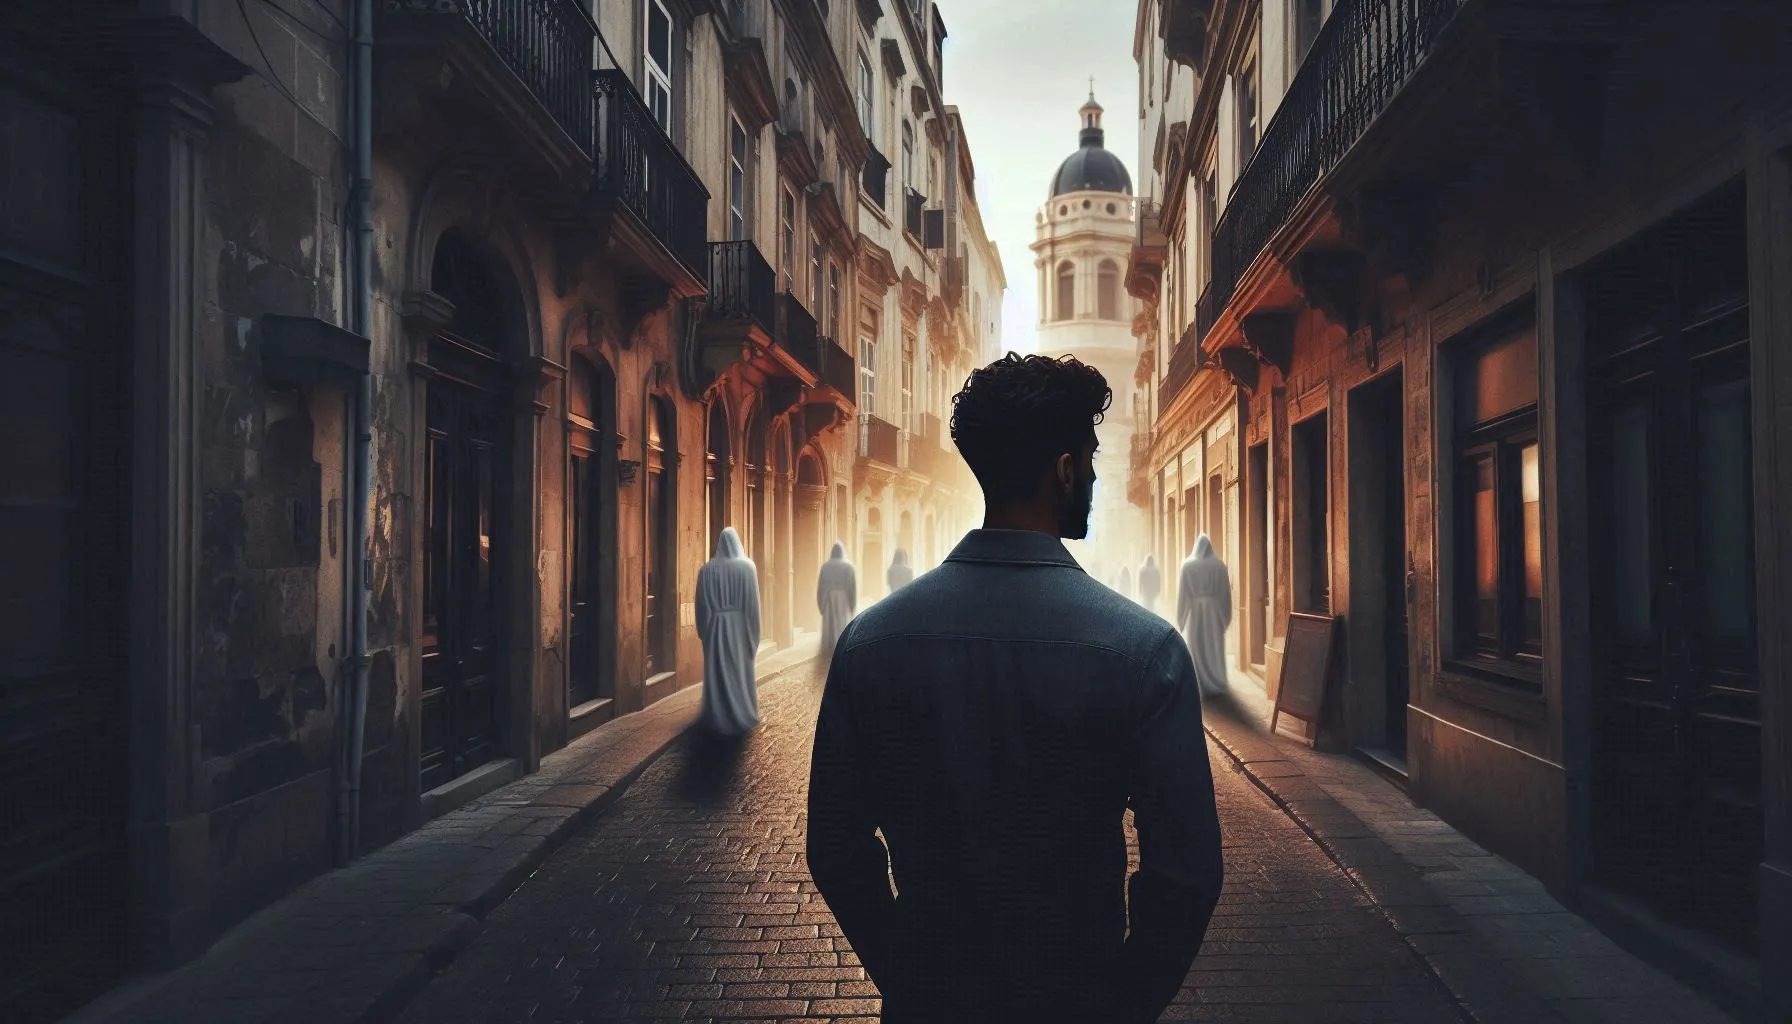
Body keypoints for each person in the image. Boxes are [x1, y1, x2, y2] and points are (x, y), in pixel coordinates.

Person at [807, 353, 1223, 1024]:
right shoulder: (1145, 652)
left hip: (931, 1000)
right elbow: (1186, 870)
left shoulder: (870, 644)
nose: (1091, 475)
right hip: (1078, 996)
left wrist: (906, 970)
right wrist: (1124, 1002)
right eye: (1087, 459)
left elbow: (835, 845)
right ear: (1063, 470)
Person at [695, 527, 761, 736]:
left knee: (718, 672)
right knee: (739, 671)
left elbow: (701, 605)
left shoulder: (706, 571)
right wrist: (753, 637)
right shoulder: (747, 568)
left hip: (716, 628)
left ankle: (718, 713)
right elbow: (752, 605)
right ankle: (742, 711)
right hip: (740, 628)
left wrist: (705, 633)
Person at [1177, 534, 1233, 697]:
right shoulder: (1219, 566)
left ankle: (1198, 682)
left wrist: (1181, 617)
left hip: (1195, 612)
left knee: (1196, 644)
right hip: (1214, 613)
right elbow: (1225, 594)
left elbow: (1183, 594)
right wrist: (1225, 617)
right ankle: (1216, 681)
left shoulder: (1187, 566)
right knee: (1213, 645)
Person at [817, 541, 856, 659]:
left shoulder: (825, 566)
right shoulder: (849, 566)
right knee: (842, 622)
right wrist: (852, 604)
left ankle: (829, 649)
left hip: (828, 598)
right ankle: (841, 647)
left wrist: (821, 605)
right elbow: (852, 587)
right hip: (843, 598)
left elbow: (820, 587)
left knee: (830, 623)